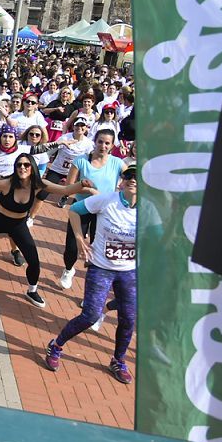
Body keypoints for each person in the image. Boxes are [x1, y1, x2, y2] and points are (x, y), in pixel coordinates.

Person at [45, 163, 138, 384]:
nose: (133, 180)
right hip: (101, 268)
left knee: (129, 319)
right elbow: (75, 211)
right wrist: (79, 239)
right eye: (129, 176)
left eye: (138, 177)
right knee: (91, 315)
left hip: (128, 272)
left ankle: (118, 360)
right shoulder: (107, 200)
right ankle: (56, 346)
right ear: (122, 181)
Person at [0, 153, 92, 307]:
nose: (22, 167)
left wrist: (82, 185)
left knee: (33, 260)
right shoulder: (6, 183)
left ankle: (32, 291)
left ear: (32, 167)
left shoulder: (38, 184)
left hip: (18, 225)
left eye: (26, 165)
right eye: (19, 165)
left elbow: (65, 190)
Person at [59, 128, 127, 289]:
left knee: (98, 250)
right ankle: (68, 269)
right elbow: (69, 186)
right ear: (95, 142)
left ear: (112, 146)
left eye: (107, 143)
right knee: (72, 246)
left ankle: (92, 289)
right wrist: (89, 190)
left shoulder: (117, 163)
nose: (103, 146)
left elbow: (132, 179)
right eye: (100, 142)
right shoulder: (81, 160)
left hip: (104, 211)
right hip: (81, 208)